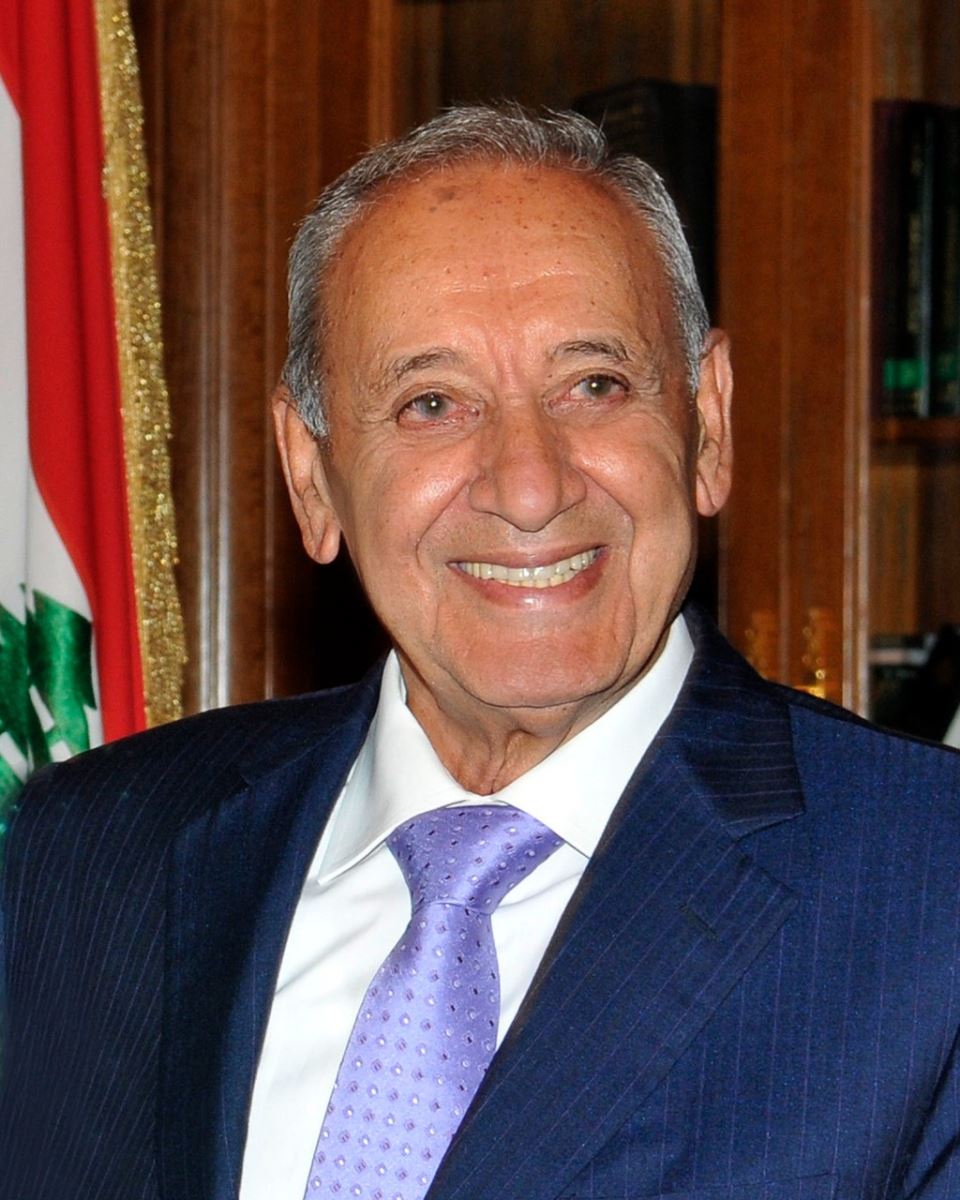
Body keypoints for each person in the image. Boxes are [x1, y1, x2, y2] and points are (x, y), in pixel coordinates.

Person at [2, 104, 960, 1200]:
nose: (531, 485)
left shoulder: (930, 892)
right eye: (432, 403)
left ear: (709, 421)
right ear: (311, 476)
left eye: (593, 385)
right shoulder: (93, 854)